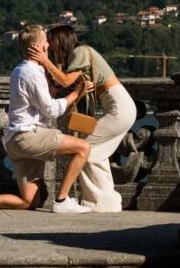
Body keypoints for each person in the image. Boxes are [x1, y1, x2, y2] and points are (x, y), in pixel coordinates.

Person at [0, 24, 94, 213]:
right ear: (38, 47)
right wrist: (76, 94)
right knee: (83, 148)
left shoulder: (20, 70)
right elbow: (50, 110)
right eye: (45, 43)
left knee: (29, 202)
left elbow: (41, 98)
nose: (49, 46)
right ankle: (62, 200)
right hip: (28, 136)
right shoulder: (32, 73)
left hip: (15, 141)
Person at [27, 25, 135, 212]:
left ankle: (90, 201)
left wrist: (45, 61)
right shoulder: (75, 58)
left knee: (86, 149)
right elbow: (57, 85)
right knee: (95, 153)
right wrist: (44, 64)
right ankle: (104, 202)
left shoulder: (81, 51)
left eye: (52, 41)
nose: (51, 46)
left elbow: (66, 81)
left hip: (119, 107)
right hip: (119, 107)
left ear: (61, 40)